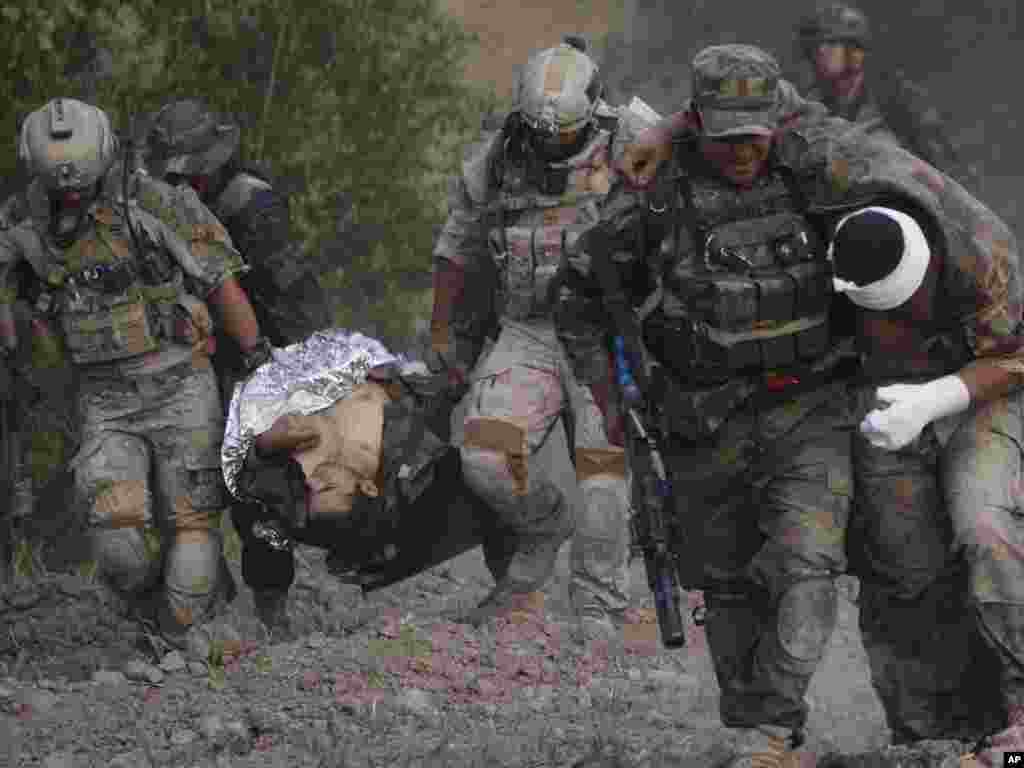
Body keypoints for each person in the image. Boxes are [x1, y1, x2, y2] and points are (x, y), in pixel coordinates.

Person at [574, 44, 857, 767]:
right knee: (727, 584)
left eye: (754, 132)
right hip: (701, 419)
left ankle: (772, 726)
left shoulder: (813, 167)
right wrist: (613, 402)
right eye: (725, 133)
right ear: (697, 122)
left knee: (806, 560)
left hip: (810, 408)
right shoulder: (655, 193)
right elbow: (579, 292)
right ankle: (754, 723)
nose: (742, 150)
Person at [0, 98, 275, 658]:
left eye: (80, 185)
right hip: (105, 400)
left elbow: (223, 286)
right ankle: (158, 614)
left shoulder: (160, 203)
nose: (70, 198)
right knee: (116, 538)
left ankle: (186, 625)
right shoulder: (25, 226)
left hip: (180, 385)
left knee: (192, 526)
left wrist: (260, 364)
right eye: (59, 188)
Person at [429, 36, 660, 635]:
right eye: (540, 133)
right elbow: (456, 253)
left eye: (564, 134)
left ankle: (599, 603)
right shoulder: (496, 158)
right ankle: (542, 526)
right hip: (527, 330)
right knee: (484, 458)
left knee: (604, 476)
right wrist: (445, 339)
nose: (550, 146)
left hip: (606, 333)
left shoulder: (633, 139)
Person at [828, 205, 1023, 764]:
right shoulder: (830, 247)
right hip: (881, 402)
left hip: (993, 392)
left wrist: (936, 400)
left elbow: (1019, 355)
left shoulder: (982, 252)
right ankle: (929, 737)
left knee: (984, 525)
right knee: (901, 565)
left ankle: (1021, 729)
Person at [142, 98, 336, 631]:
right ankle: (192, 602)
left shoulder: (250, 204)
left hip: (253, 355)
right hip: (178, 359)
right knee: (177, 486)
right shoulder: (147, 203)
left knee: (261, 493)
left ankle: (273, 609)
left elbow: (291, 293)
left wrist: (292, 367)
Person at [794, 2, 979, 191]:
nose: (820, 52)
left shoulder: (895, 98)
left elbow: (948, 168)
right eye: (813, 46)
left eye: (831, 43)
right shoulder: (808, 104)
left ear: (855, 50)